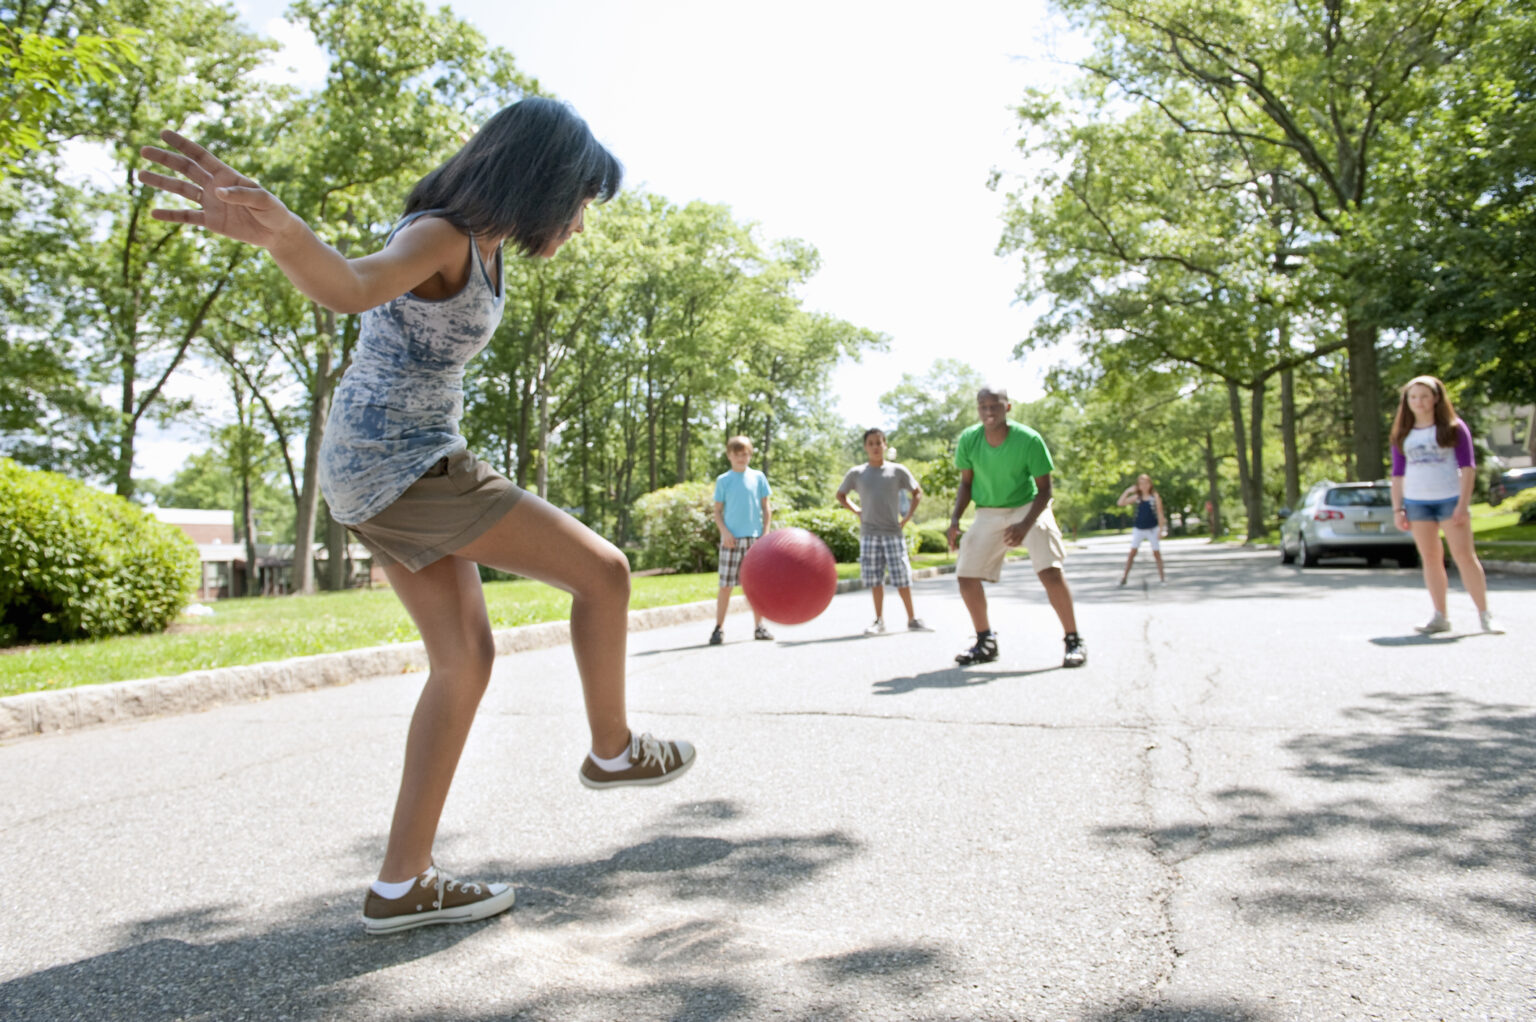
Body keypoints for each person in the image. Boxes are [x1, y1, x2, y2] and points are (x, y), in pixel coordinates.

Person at [138, 98, 695, 936]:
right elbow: (355, 286)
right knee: (605, 572)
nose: (580, 223)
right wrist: (283, 235)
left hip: (383, 466)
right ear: (541, 180)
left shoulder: (486, 247)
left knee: (464, 660)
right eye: (579, 201)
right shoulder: (442, 234)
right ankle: (613, 750)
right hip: (400, 461)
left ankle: (402, 883)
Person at [947, 386, 1086, 668]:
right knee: (966, 574)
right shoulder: (969, 440)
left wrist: (1024, 525)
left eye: (994, 406)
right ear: (977, 409)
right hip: (989, 510)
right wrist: (954, 521)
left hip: (1029, 505)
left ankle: (1073, 640)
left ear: (1007, 407)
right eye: (983, 406)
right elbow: (966, 483)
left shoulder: (1028, 439)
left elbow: (1045, 491)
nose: (988, 411)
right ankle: (985, 641)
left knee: (1050, 570)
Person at [1389, 375, 1503, 635]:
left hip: (1450, 500)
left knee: (1464, 556)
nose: (1419, 402)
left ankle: (1485, 615)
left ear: (1436, 398)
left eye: (1424, 396)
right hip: (1417, 503)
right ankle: (1440, 616)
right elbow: (1397, 475)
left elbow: (1468, 468)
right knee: (1430, 559)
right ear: (1406, 401)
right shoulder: (1402, 434)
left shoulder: (1453, 427)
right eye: (1413, 397)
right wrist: (1398, 508)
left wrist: (1462, 505)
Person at [836, 428, 930, 634]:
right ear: (865, 447)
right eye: (871, 443)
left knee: (902, 578)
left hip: (892, 532)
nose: (875, 447)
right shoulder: (857, 473)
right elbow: (841, 495)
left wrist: (907, 518)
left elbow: (917, 492)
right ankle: (879, 621)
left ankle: (912, 619)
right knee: (874, 578)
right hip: (869, 533)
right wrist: (856, 510)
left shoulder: (897, 471)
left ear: (885, 445)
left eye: (879, 443)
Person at [710, 435, 773, 644]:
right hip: (731, 541)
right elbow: (717, 512)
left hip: (755, 540)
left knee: (756, 585)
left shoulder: (758, 477)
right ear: (729, 455)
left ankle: (759, 626)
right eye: (737, 454)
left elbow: (766, 508)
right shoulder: (723, 480)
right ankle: (718, 628)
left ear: (750, 454)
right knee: (726, 585)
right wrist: (725, 532)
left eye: (745, 454)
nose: (741, 458)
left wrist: (765, 533)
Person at [1116, 473, 1168, 585]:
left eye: (1146, 483)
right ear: (1138, 486)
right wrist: (1127, 491)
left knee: (1156, 553)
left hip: (1152, 528)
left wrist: (1161, 530)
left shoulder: (1155, 497)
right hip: (1139, 528)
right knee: (1132, 553)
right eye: (1141, 484)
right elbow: (1120, 503)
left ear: (1150, 484)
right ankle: (1124, 577)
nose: (1143, 486)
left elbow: (1160, 514)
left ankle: (1162, 578)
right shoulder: (1137, 498)